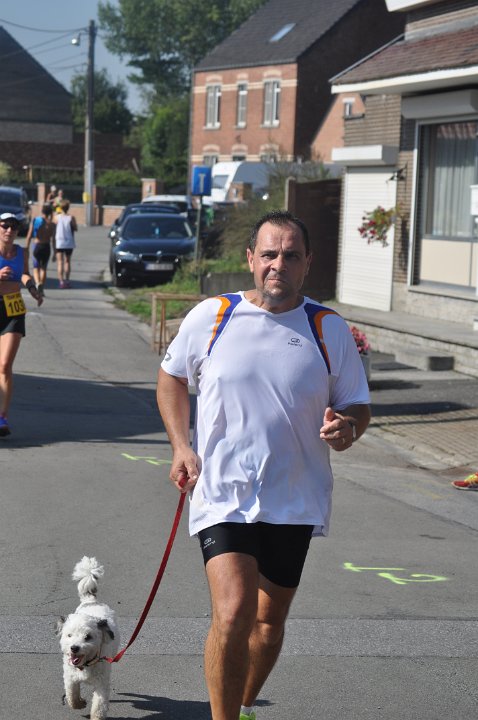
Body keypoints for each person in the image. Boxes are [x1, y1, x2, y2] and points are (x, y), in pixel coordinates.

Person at [157, 210, 371, 720]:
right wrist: (181, 446)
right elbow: (172, 379)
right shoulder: (213, 316)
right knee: (234, 612)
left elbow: (356, 404)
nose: (279, 265)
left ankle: (245, 704)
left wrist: (348, 426)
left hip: (294, 497)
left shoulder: (327, 328)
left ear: (307, 263)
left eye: (290, 256)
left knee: (268, 624)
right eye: (269, 254)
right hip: (223, 492)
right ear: (251, 258)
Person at [0, 212, 43, 436]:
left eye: (14, 227)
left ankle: (2, 417)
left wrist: (32, 288)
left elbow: (24, 273)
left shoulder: (22, 252)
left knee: (4, 365)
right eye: (5, 226)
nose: (9, 230)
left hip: (13, 307)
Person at [25, 203, 56, 296]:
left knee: (36, 267)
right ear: (50, 213)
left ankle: (38, 283)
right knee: (43, 268)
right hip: (46, 247)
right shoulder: (52, 224)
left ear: (42, 211)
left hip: (37, 245)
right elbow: (54, 240)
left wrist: (26, 248)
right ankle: (41, 285)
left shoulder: (36, 221)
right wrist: (55, 252)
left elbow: (29, 235)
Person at [54, 199, 77, 289]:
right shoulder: (71, 217)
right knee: (67, 261)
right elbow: (75, 228)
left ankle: (61, 282)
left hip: (59, 241)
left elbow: (53, 226)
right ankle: (67, 281)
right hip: (69, 242)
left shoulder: (56, 217)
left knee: (60, 262)